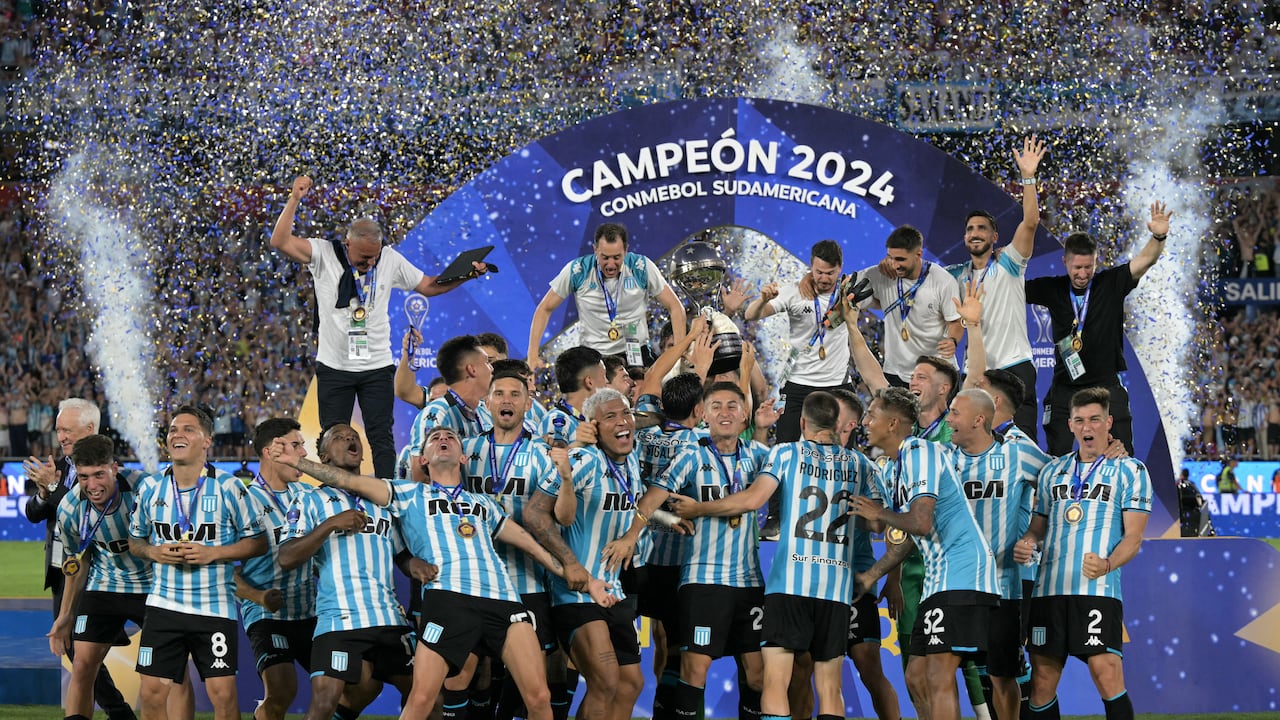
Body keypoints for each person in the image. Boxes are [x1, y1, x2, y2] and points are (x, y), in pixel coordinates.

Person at [269, 423, 615, 720]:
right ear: (423, 460)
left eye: (450, 436)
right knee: (421, 701)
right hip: (448, 600)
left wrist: (582, 577)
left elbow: (530, 543)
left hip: (503, 600)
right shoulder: (405, 493)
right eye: (434, 440)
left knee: (539, 701)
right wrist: (298, 462)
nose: (443, 439)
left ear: (464, 457)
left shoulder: (484, 504)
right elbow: (346, 479)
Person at [669, 391, 878, 720]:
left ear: (802, 422)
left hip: (790, 586)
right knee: (829, 685)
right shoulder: (860, 464)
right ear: (838, 425)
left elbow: (752, 500)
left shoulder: (786, 454)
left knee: (776, 681)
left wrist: (699, 508)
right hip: (836, 588)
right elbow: (877, 521)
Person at [271, 175, 489, 478]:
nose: (370, 263)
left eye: (374, 257)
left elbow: (428, 285)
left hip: (376, 366)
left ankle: (388, 498)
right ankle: (337, 498)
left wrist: (465, 273)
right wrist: (294, 198)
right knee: (333, 438)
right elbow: (279, 241)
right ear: (347, 244)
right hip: (335, 367)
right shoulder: (322, 253)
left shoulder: (388, 259)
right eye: (363, 258)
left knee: (381, 437)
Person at [850, 388, 1001, 720]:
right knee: (916, 676)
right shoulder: (893, 467)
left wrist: (879, 512)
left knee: (937, 674)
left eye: (872, 414)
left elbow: (919, 521)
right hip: (939, 578)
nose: (866, 421)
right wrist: (873, 574)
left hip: (962, 571)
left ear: (893, 424)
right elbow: (905, 536)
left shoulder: (921, 451)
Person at [1013, 388, 1153, 720]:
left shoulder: (1131, 471)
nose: (1086, 427)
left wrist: (1106, 564)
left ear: (1108, 422)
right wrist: (1029, 541)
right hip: (1049, 590)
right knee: (1042, 680)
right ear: (1071, 426)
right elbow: (1038, 527)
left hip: (1097, 591)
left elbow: (1133, 537)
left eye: (1093, 419)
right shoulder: (1052, 471)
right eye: (1079, 420)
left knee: (1106, 672)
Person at [128, 405, 268, 720]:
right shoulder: (150, 488)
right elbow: (134, 541)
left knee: (224, 698)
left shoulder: (229, 487)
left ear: (207, 441)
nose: (177, 434)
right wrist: (153, 552)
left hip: (213, 607)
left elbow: (259, 542)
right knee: (151, 694)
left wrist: (214, 553)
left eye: (188, 429)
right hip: (164, 606)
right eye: (173, 429)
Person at [48, 434, 193, 720]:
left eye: (99, 474)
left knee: (174, 672)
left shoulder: (146, 489)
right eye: (84, 476)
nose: (92, 485)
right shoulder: (69, 508)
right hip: (105, 585)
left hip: (155, 587)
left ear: (114, 467)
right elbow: (77, 563)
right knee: (83, 664)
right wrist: (64, 616)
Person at [275, 424, 415, 720]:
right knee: (324, 704)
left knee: (426, 697)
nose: (350, 439)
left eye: (354, 437)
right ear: (323, 456)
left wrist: (420, 568)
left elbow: (401, 554)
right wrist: (329, 525)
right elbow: (286, 557)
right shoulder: (308, 501)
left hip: (389, 617)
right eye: (339, 437)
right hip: (339, 619)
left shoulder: (382, 499)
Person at [523, 388, 647, 720]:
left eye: (626, 414)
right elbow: (534, 513)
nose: (622, 422)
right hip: (576, 593)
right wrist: (572, 564)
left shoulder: (632, 457)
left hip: (612, 590)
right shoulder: (582, 459)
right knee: (605, 681)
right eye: (611, 417)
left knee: (631, 683)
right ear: (593, 426)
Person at [657, 382, 771, 720]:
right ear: (703, 414)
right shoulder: (691, 456)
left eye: (733, 405)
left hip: (749, 581)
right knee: (694, 671)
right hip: (703, 580)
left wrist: (763, 432)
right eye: (717, 405)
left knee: (758, 675)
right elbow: (648, 505)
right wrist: (671, 520)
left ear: (744, 414)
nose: (725, 412)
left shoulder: (760, 455)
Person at [1024, 201, 1173, 455]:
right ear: (1065, 262)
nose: (1083, 273)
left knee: (1122, 452)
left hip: (1106, 385)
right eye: (1077, 267)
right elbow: (1011, 286)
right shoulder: (1052, 288)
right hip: (1065, 386)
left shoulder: (1110, 283)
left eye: (1088, 267)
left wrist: (1158, 236)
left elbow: (1145, 261)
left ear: (1096, 261)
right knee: (1057, 454)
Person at [22, 398, 134, 720]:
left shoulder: (108, 468)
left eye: (67, 430)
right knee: (76, 652)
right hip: (63, 570)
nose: (61, 437)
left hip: (98, 573)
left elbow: (89, 503)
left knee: (82, 652)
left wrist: (54, 487)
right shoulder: (56, 465)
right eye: (58, 430)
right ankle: (121, 713)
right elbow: (33, 513)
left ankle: (121, 713)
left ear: (89, 429)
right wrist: (44, 493)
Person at [945, 389, 1049, 720]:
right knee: (938, 672)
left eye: (955, 414)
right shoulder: (943, 459)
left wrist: (1033, 535)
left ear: (979, 420)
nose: (949, 420)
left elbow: (1060, 482)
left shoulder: (1018, 454)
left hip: (1003, 588)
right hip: (952, 586)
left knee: (1002, 674)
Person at [743, 239, 854, 539]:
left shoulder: (849, 294)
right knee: (784, 451)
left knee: (845, 455)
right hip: (799, 385)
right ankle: (777, 519)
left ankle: (846, 521)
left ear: (840, 269)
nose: (823, 278)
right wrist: (763, 298)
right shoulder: (795, 291)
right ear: (811, 266)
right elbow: (752, 315)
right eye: (818, 271)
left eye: (829, 273)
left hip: (838, 387)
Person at [944, 136, 1046, 439]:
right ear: (964, 238)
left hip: (1014, 369)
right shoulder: (954, 275)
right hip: (975, 373)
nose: (975, 233)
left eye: (982, 228)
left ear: (995, 237)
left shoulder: (1010, 263)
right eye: (970, 229)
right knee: (969, 443)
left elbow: (1030, 221)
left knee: (1021, 445)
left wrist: (1028, 175)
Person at [236, 418, 318, 720]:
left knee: (351, 683)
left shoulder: (309, 498)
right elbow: (220, 568)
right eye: (297, 445)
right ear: (272, 451)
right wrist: (257, 596)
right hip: (266, 615)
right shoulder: (242, 500)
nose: (305, 453)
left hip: (311, 612)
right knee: (282, 688)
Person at [528, 222, 687, 369]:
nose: (611, 264)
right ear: (595, 250)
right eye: (605, 257)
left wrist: (679, 352)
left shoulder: (641, 267)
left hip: (635, 350)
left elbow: (675, 307)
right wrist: (532, 354)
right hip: (594, 355)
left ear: (626, 250)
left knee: (646, 393)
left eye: (617, 257)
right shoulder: (578, 270)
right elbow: (545, 308)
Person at [859, 225, 962, 386]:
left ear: (918, 255)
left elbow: (955, 321)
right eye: (890, 257)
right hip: (895, 374)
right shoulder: (882, 275)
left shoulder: (943, 281)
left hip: (936, 373)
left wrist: (953, 340)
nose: (894, 264)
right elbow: (842, 283)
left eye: (900, 259)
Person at [408, 334, 495, 450]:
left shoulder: (485, 413)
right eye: (487, 362)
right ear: (472, 370)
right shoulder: (437, 413)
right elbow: (420, 466)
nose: (492, 369)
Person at [536, 345, 608, 442]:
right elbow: (556, 456)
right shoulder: (557, 421)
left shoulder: (587, 419)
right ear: (589, 382)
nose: (607, 382)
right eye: (604, 376)